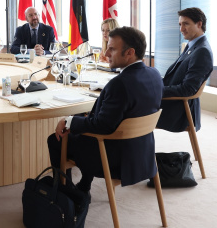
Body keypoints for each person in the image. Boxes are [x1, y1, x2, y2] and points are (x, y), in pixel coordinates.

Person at [47, 26, 163, 196]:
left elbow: (102, 126)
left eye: (112, 49)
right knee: (85, 122)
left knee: (55, 139)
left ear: (130, 52)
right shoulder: (154, 74)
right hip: (143, 155)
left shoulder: (120, 84)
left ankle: (67, 195)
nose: (106, 53)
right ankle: (84, 186)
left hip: (114, 160)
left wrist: (69, 120)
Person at [156, 7, 213, 132]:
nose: (181, 29)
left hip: (178, 112)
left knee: (128, 109)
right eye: (180, 24)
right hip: (173, 105)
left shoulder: (202, 51)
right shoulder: (193, 45)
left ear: (199, 24)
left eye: (186, 24)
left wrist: (156, 90)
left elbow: (188, 89)